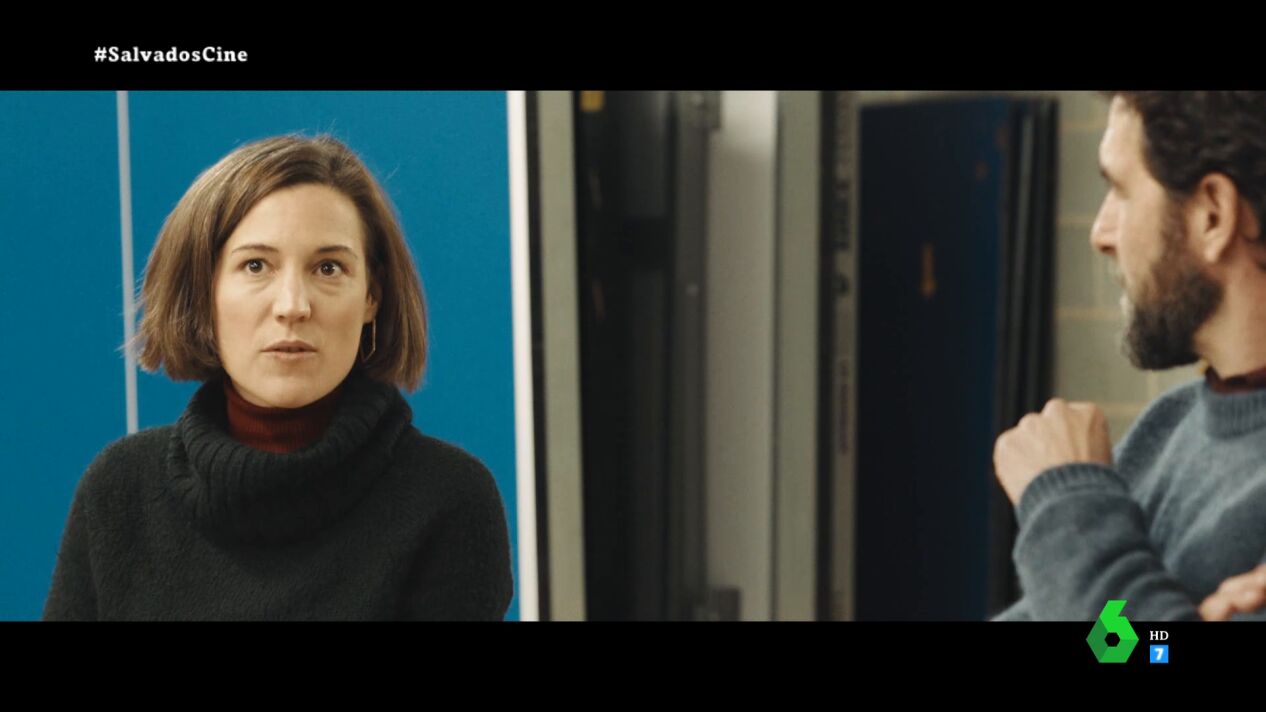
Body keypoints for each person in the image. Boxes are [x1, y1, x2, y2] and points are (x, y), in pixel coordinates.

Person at [42, 135, 514, 620]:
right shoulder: (120, 491)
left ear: (372, 296)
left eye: (328, 268)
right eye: (256, 266)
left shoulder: (447, 499)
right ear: (203, 290)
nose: (293, 305)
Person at [992, 92, 1266, 621]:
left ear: (1213, 214)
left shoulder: (1080, 492)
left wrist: (1065, 499)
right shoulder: (1166, 428)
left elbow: (1130, 651)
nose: (1100, 234)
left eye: (1119, 190)